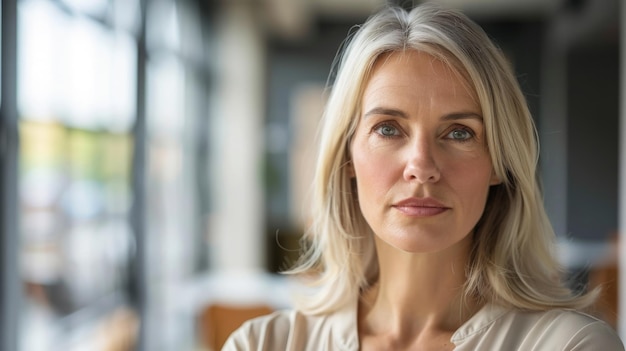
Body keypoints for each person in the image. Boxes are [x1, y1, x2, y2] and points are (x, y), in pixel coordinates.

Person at [224, 3, 624, 350]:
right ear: (347, 155)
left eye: (459, 132)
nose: (421, 165)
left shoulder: (571, 346)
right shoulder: (260, 345)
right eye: (387, 128)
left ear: (499, 164)